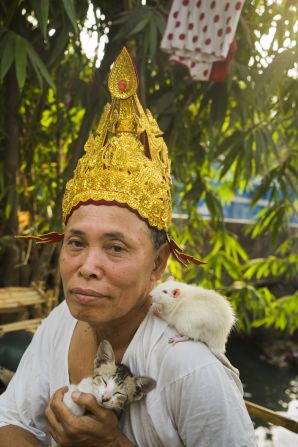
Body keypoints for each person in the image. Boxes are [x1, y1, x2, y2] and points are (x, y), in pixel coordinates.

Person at [0, 48, 257, 447]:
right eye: (76, 243)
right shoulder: (60, 324)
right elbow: (11, 421)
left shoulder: (188, 370)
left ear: (158, 264)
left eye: (116, 248)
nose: (87, 266)